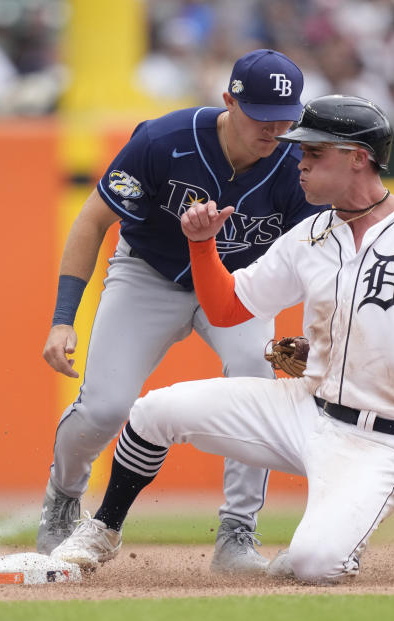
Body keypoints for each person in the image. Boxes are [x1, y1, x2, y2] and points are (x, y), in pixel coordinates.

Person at [49, 95, 394, 583]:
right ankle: (104, 528)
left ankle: (297, 549)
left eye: (314, 154)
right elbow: (224, 309)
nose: (299, 164)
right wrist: (202, 246)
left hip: (379, 439)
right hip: (305, 409)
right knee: (153, 412)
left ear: (357, 158)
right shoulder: (310, 236)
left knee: (314, 565)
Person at [37, 49, 325, 574]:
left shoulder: (295, 163)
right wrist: (62, 318)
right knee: (104, 407)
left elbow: (319, 257)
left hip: (237, 287)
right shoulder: (164, 140)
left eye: (286, 117)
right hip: (150, 273)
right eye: (262, 115)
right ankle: (63, 496)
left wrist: (322, 334)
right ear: (229, 101)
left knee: (255, 378)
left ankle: (237, 533)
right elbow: (91, 221)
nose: (275, 128)